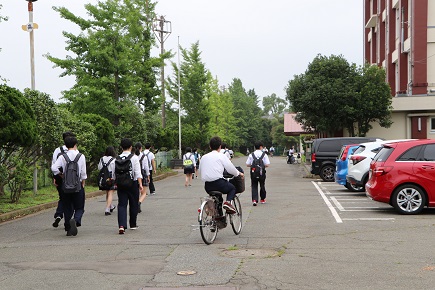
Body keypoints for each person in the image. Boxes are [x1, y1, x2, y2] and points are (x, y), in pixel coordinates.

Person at [51, 136, 87, 236]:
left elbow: (54, 168)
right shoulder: (81, 156)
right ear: (75, 145)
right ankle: (75, 220)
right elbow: (83, 172)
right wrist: (83, 181)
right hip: (77, 185)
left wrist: (61, 175)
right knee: (79, 207)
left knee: (67, 206)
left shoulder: (63, 156)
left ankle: (68, 228)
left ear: (66, 145)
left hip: (65, 185)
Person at [199, 136, 244, 214]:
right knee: (232, 188)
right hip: (219, 183)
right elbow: (231, 169)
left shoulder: (203, 157)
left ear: (210, 146)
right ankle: (228, 203)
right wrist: (239, 173)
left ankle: (218, 218)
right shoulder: (221, 156)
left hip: (207, 186)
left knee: (218, 198)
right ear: (220, 146)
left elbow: (200, 170)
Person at [116, 138, 143, 234]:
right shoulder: (134, 158)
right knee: (133, 204)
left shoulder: (117, 158)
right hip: (132, 183)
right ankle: (133, 224)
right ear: (131, 147)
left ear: (121, 147)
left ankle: (122, 225)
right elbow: (137, 172)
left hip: (121, 184)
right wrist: (140, 184)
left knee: (122, 204)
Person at [51, 131, 75, 228]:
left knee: (62, 197)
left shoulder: (57, 150)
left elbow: (53, 164)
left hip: (60, 177)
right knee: (71, 199)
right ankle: (67, 220)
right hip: (72, 179)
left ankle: (59, 214)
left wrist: (56, 176)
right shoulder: (75, 151)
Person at [246, 141, 270, 206]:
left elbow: (247, 164)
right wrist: (261, 166)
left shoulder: (251, 155)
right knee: (262, 185)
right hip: (262, 172)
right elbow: (267, 164)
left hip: (253, 172)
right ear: (261, 147)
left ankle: (254, 200)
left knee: (254, 185)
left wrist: (254, 165)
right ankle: (262, 199)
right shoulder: (264, 155)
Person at [98, 146, 117, 216]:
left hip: (103, 178)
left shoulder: (102, 159)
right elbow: (115, 170)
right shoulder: (113, 160)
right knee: (111, 193)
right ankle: (107, 208)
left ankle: (111, 206)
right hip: (111, 178)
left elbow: (99, 168)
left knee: (107, 192)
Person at [135, 142, 149, 213]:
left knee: (136, 192)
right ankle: (139, 202)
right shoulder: (144, 157)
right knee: (143, 193)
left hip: (134, 175)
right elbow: (146, 168)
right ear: (141, 148)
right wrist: (148, 176)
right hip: (142, 174)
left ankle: (136, 204)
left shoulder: (132, 156)